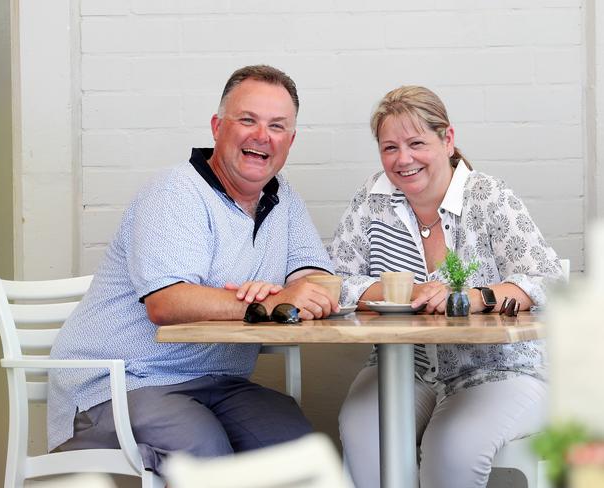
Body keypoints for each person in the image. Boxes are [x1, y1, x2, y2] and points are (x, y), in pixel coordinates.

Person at [47, 65, 339, 475]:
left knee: (298, 451)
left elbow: (319, 281)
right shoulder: (174, 191)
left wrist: (302, 293)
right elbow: (167, 303)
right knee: (203, 450)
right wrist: (274, 300)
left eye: (277, 126)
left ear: (290, 141)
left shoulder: (283, 199)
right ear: (218, 127)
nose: (262, 136)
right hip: (123, 382)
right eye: (248, 120)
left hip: (217, 381)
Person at [328, 86, 563, 488]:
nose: (403, 159)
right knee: (362, 432)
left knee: (449, 450)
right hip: (401, 365)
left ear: (447, 140)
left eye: (416, 143)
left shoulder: (489, 197)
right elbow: (332, 280)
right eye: (390, 148)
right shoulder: (372, 200)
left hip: (499, 368)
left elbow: (549, 279)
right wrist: (398, 294)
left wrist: (472, 297)